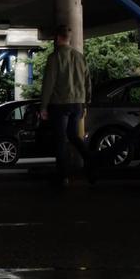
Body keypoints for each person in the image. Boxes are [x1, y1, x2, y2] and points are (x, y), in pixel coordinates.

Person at [40, 25, 94, 186]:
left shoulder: (54, 57)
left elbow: (49, 83)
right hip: (77, 103)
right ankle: (91, 161)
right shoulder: (80, 57)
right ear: (68, 39)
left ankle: (63, 176)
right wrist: (86, 102)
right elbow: (87, 81)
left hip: (59, 104)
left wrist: (43, 106)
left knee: (61, 140)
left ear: (57, 38)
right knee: (73, 136)